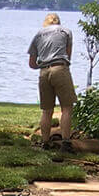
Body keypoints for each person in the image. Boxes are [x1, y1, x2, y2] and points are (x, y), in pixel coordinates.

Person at [27, 13, 77, 150]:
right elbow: (68, 55)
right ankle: (66, 143)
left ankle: (45, 143)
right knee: (67, 108)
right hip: (60, 69)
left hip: (44, 73)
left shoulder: (38, 35)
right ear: (58, 22)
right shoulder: (66, 32)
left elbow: (31, 63)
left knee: (47, 110)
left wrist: (43, 64)